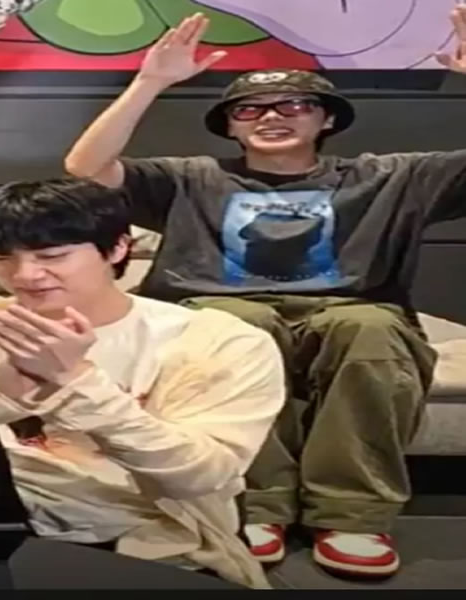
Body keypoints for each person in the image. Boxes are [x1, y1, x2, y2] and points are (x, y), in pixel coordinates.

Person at [61, 9, 466, 578]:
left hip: (349, 309)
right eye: (249, 110)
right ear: (231, 127)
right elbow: (85, 168)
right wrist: (150, 81)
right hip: (222, 308)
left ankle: (352, 514)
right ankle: (252, 502)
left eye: (294, 105)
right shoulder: (192, 176)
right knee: (237, 326)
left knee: (371, 331)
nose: (271, 116)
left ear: (326, 118)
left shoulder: (388, 176)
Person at [0, 178, 284, 588]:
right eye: (1, 258)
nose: (25, 275)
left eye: (52, 256)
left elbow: (202, 475)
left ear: (118, 249)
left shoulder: (217, 340)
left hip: (132, 531)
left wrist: (77, 383)